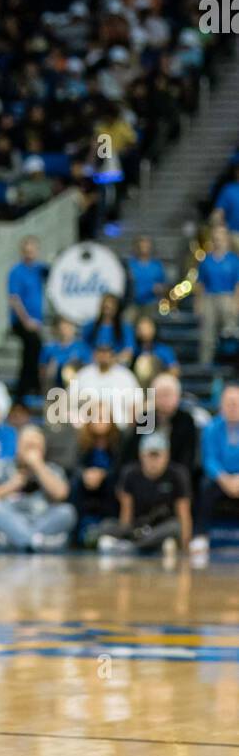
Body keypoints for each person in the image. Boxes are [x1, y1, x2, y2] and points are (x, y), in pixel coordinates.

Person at [0, 426, 76, 552]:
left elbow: (61, 494)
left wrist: (38, 466)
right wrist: (11, 485)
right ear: (18, 447)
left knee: (67, 511)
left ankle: (21, 540)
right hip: (11, 518)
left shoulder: (52, 469)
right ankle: (36, 541)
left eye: (35, 447)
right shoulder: (2, 466)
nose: (31, 451)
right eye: (28, 446)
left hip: (42, 519)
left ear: (43, 449)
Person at [97, 433, 192, 556]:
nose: (153, 461)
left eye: (157, 456)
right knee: (106, 525)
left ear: (167, 456)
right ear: (141, 455)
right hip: (136, 527)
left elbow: (184, 514)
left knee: (175, 527)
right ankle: (144, 544)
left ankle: (133, 546)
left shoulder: (178, 474)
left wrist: (185, 548)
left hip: (162, 527)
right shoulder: (130, 473)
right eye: (149, 456)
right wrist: (125, 531)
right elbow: (126, 514)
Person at [119, 372, 197, 476]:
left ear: (177, 397)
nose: (164, 399)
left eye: (168, 394)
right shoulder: (146, 417)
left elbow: (188, 456)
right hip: (144, 473)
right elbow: (133, 452)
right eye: (160, 394)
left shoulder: (186, 420)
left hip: (175, 473)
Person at [197, 382, 239, 548]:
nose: (233, 407)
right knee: (205, 485)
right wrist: (224, 479)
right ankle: (200, 535)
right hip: (220, 478)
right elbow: (209, 459)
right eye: (229, 403)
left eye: (236, 403)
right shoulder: (211, 428)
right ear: (221, 405)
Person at [70, 403, 121, 541]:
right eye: (95, 417)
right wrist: (85, 474)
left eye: (103, 417)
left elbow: (120, 466)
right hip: (86, 484)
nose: (99, 421)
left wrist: (103, 475)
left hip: (109, 483)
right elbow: (74, 465)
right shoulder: (81, 441)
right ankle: (75, 528)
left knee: (113, 482)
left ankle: (110, 525)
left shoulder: (119, 441)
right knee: (75, 482)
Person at [7, 236, 49, 397]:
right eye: (26, 251)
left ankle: (30, 385)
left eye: (32, 251)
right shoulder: (16, 271)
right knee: (33, 345)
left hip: (36, 321)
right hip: (22, 321)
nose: (29, 254)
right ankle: (26, 387)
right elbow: (14, 299)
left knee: (34, 348)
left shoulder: (39, 269)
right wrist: (26, 320)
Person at [194, 225, 239, 364]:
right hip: (209, 298)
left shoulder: (233, 260)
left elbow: (238, 283)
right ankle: (205, 364)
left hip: (228, 297)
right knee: (207, 335)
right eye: (216, 237)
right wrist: (198, 304)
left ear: (226, 239)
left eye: (221, 237)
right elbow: (200, 284)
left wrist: (236, 303)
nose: (218, 240)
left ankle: (230, 363)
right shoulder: (206, 261)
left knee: (230, 332)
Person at [75, 342, 143, 428]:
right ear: (95, 354)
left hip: (119, 427)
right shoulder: (83, 374)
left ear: (113, 355)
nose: (104, 356)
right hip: (87, 428)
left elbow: (137, 401)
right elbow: (69, 399)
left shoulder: (126, 376)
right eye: (101, 352)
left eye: (107, 352)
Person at [39, 317, 91, 392]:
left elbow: (89, 369)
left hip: (76, 389)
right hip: (54, 388)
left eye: (68, 327)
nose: (65, 330)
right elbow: (42, 372)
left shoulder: (82, 347)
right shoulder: (49, 348)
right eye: (62, 327)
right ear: (56, 329)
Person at [81, 294, 134, 365]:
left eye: (111, 307)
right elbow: (83, 346)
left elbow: (128, 351)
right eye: (105, 307)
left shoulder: (125, 328)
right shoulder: (91, 326)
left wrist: (113, 360)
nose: (107, 310)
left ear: (117, 309)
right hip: (94, 364)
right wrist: (93, 357)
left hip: (117, 366)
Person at [125, 235, 168, 318]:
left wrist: (160, 288)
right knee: (127, 323)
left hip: (151, 303)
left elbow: (164, 285)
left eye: (146, 246)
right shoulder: (130, 265)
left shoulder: (157, 265)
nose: (144, 248)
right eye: (142, 246)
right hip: (132, 303)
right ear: (136, 247)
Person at [130, 315, 179, 387]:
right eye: (141, 328)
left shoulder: (164, 350)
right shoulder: (134, 351)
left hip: (160, 388)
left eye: (147, 327)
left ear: (154, 329)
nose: (144, 331)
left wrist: (159, 381)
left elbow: (174, 371)